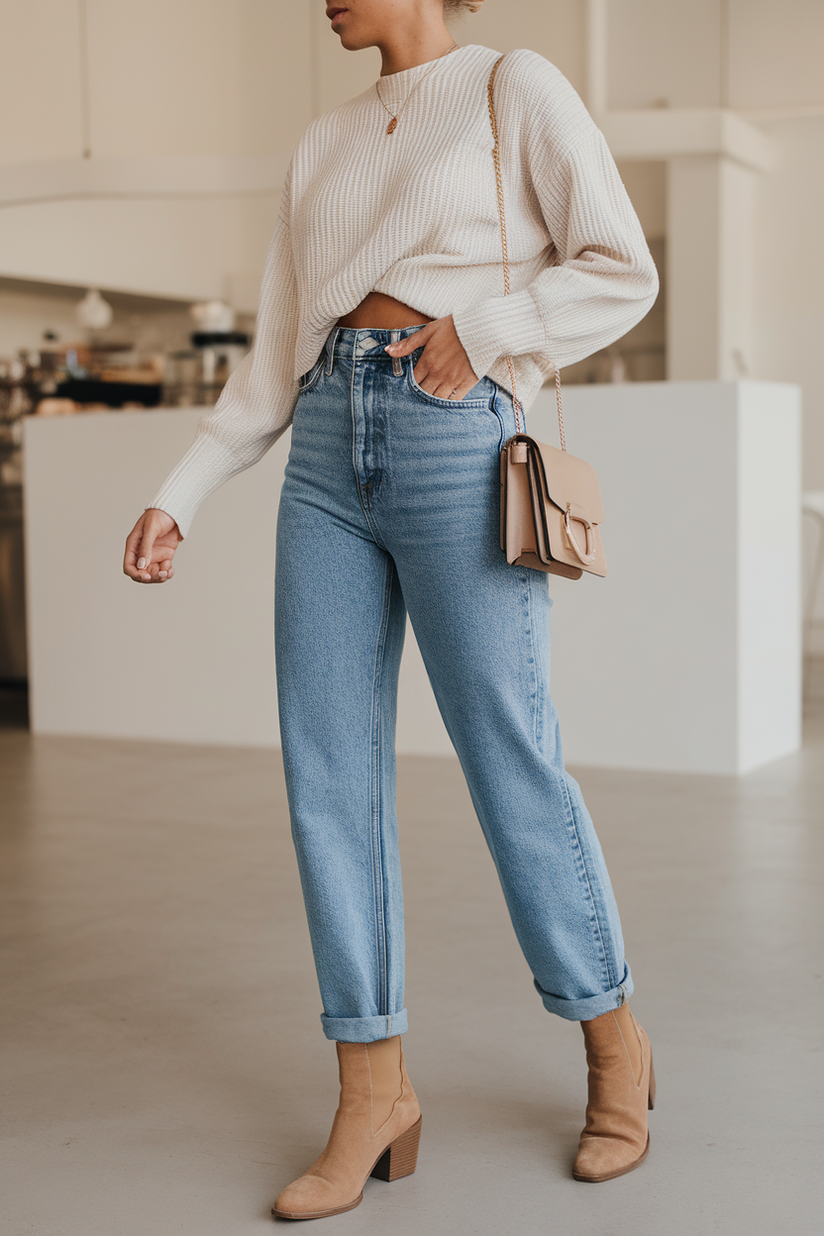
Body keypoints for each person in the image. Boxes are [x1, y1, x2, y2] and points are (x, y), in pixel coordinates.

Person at [123, 0, 659, 1221]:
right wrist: (182, 493)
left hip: (452, 442)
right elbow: (271, 358)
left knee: (506, 754)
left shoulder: (511, 86)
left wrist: (487, 327)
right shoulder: (320, 144)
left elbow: (618, 262)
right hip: (321, 450)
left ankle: (612, 1041)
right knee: (327, 772)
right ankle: (373, 1092)